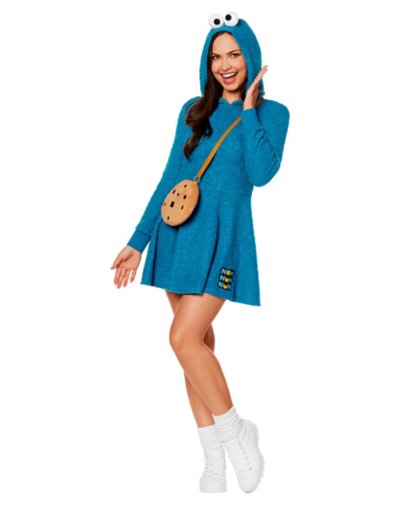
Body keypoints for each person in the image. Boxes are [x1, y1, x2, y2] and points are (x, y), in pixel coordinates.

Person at [110, 12, 290, 494]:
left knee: (182, 337)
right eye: (216, 57)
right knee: (196, 347)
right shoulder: (193, 110)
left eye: (234, 55)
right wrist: (137, 241)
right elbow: (171, 177)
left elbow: (261, 174)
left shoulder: (273, 114)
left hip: (225, 239)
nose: (225, 65)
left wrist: (248, 109)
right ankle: (214, 458)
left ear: (250, 57)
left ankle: (238, 434)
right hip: (178, 237)